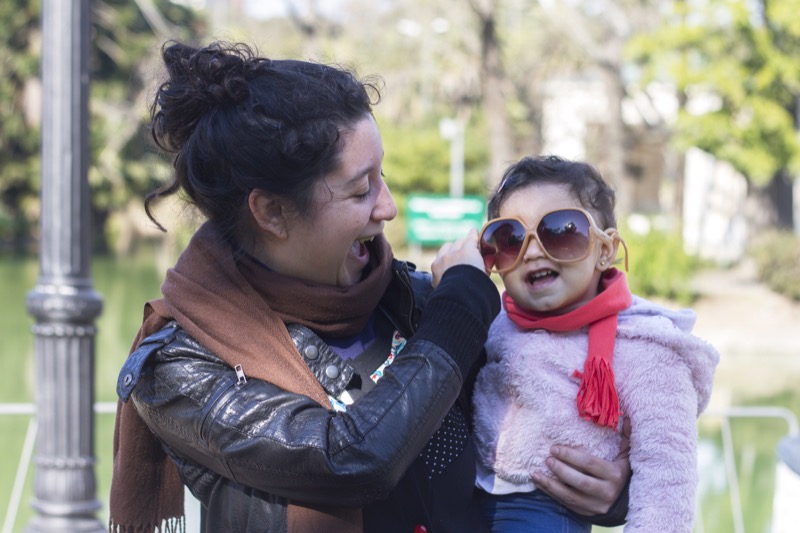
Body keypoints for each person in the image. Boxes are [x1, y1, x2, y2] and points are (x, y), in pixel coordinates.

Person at [109, 41, 631, 533]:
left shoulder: (414, 298)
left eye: (383, 178)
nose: (388, 207)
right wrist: (462, 307)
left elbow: (537, 423)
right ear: (271, 211)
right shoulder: (179, 368)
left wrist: (613, 489)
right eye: (361, 189)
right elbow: (349, 459)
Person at [472, 155, 720, 532]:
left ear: (605, 250)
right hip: (466, 503)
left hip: (545, 514)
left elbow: (667, 478)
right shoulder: (491, 322)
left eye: (560, 231)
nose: (533, 250)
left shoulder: (646, 348)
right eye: (511, 238)